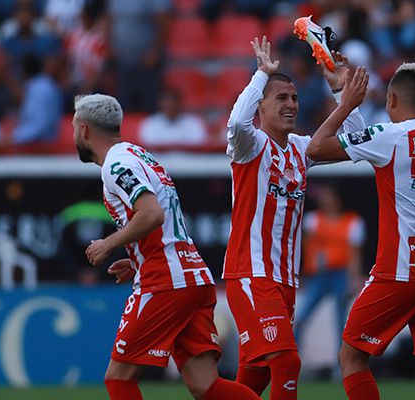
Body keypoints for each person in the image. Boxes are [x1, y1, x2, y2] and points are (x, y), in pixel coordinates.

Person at [306, 63, 415, 400]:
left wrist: (345, 104)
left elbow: (315, 148)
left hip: (398, 272)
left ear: (394, 99)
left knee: (352, 357)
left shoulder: (390, 136)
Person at [72, 93, 260, 400]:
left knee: (119, 379)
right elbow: (164, 219)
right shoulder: (139, 155)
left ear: (84, 130)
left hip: (166, 281)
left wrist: (109, 243)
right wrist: (136, 259)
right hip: (193, 276)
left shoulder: (115, 165)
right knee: (205, 385)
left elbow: (152, 214)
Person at [223, 36, 365, 399]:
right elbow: (237, 122)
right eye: (281, 99)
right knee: (287, 362)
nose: (290, 105)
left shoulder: (303, 149)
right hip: (251, 275)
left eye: (295, 98)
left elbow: (358, 142)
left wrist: (338, 89)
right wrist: (260, 76)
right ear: (262, 106)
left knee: (254, 379)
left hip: (285, 281)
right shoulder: (250, 145)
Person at [295, 184, 365, 358]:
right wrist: (302, 273)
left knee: (341, 323)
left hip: (340, 275)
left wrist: (353, 280)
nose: (325, 200)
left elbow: (354, 254)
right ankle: (293, 361)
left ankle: (342, 364)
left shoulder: (352, 221)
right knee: (301, 318)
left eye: (329, 196)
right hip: (318, 276)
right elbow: (304, 248)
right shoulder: (313, 219)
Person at [139, 87, 210, 148]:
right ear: (160, 105)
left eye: (173, 104)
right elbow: (149, 144)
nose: (170, 107)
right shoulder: (151, 122)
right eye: (167, 104)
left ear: (180, 104)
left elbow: (199, 144)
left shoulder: (193, 122)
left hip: (189, 161)